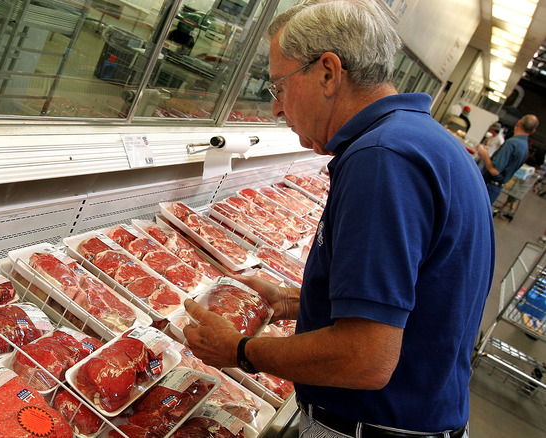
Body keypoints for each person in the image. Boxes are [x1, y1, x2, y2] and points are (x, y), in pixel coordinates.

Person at [183, 0, 494, 436]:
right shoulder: (424, 142)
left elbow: (366, 359)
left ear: (328, 72)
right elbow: (415, 296)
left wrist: (241, 350)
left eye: (279, 87)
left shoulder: (383, 159)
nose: (276, 108)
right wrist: (292, 302)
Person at [477, 114, 539, 203]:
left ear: (518, 123)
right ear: (533, 131)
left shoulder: (511, 144)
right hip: (497, 188)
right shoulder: (525, 148)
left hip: (489, 185)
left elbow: (494, 170)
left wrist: (485, 155)